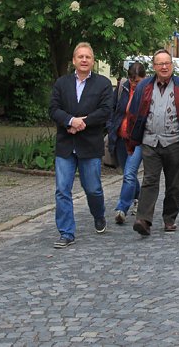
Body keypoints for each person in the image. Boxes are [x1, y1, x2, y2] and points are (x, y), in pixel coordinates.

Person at [126, 49, 179, 236]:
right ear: (154, 67)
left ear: (172, 65)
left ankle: (170, 218)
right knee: (150, 180)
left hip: (175, 142)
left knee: (173, 183)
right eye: (159, 63)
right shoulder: (144, 86)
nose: (164, 66)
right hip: (150, 141)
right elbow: (133, 114)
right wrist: (131, 140)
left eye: (167, 63)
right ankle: (143, 219)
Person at [48, 42, 114, 248]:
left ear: (93, 61)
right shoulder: (62, 83)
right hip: (66, 145)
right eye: (80, 57)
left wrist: (83, 123)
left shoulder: (103, 84)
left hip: (90, 145)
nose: (84, 60)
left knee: (93, 189)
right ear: (74, 61)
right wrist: (70, 121)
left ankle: (99, 214)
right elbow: (53, 109)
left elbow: (105, 110)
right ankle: (66, 232)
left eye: (88, 57)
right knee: (62, 190)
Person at [109, 62, 148, 224]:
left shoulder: (148, 92)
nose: (134, 84)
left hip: (137, 140)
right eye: (132, 80)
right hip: (120, 137)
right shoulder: (121, 89)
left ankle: (121, 209)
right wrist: (110, 127)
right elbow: (111, 109)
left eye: (137, 81)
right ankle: (137, 197)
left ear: (144, 78)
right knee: (127, 172)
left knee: (129, 174)